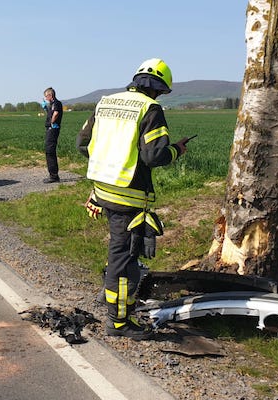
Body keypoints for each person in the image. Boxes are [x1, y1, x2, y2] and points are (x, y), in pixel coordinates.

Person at [76, 58, 191, 340]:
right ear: (159, 89)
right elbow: (154, 156)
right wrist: (176, 150)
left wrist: (107, 168)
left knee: (119, 252)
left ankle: (110, 298)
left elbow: (83, 144)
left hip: (103, 190)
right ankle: (118, 322)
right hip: (128, 196)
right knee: (124, 260)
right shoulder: (150, 109)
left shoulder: (105, 102)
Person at [43, 87, 63, 183]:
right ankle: (53, 174)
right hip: (50, 129)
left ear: (50, 95)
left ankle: (54, 176)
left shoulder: (56, 103)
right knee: (48, 151)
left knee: (50, 151)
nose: (46, 98)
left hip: (53, 129)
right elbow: (51, 113)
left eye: (46, 96)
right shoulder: (52, 104)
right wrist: (46, 108)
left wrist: (52, 122)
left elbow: (55, 114)